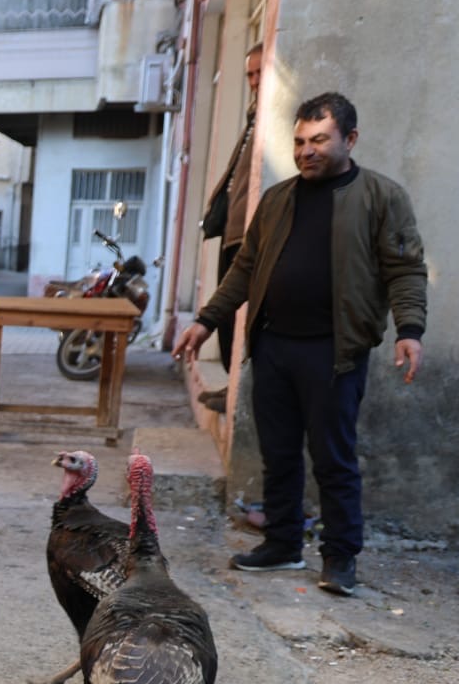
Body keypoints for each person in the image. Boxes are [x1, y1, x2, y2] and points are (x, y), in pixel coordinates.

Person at [171, 91, 427, 597]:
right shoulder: (277, 199)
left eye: (319, 140)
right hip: (274, 347)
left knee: (334, 458)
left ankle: (339, 557)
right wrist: (206, 320)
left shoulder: (382, 197)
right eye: (299, 141)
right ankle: (283, 545)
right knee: (279, 454)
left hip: (335, 352)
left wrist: (410, 331)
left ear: (349, 140)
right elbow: (245, 270)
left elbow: (405, 270)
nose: (306, 151)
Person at [196, 42, 265, 409]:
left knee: (239, 317)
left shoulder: (276, 117)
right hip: (234, 232)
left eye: (259, 72)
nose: (254, 81)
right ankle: (231, 385)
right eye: (249, 74)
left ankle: (239, 390)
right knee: (224, 316)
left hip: (251, 235)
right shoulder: (256, 114)